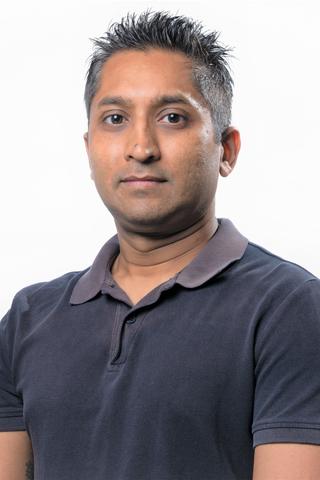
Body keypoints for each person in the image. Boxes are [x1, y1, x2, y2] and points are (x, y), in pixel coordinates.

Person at [1, 10, 320, 480]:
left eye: (173, 117)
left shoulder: (289, 308)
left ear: (226, 151)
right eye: (115, 118)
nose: (140, 147)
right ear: (89, 147)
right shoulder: (28, 318)